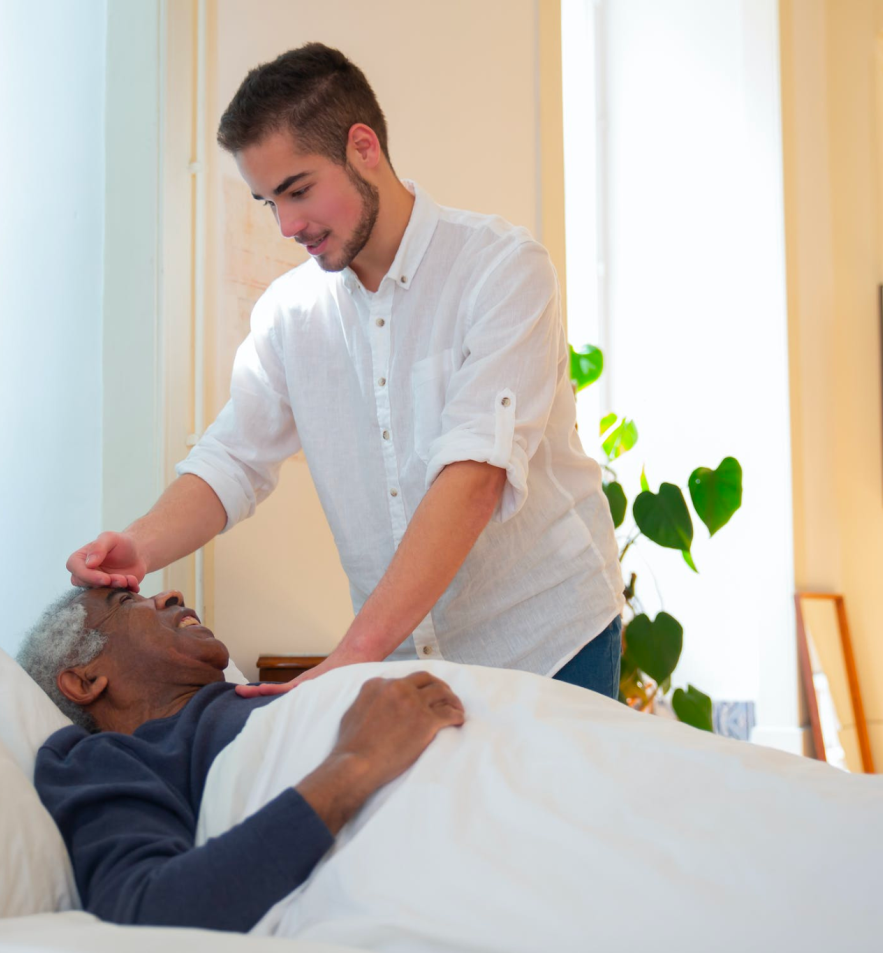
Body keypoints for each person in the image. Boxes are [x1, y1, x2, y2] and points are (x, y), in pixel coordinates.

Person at [65, 42, 624, 698]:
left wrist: (354, 653)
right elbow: (232, 459)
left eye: (298, 190)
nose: (287, 224)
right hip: (405, 655)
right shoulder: (288, 316)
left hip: (547, 637)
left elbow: (474, 475)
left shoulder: (502, 270)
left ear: (365, 147)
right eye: (267, 201)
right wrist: (140, 546)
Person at [17, 585, 465, 931]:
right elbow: (145, 914)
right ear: (86, 679)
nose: (172, 594)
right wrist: (356, 764)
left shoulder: (261, 700)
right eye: (124, 600)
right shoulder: (103, 758)